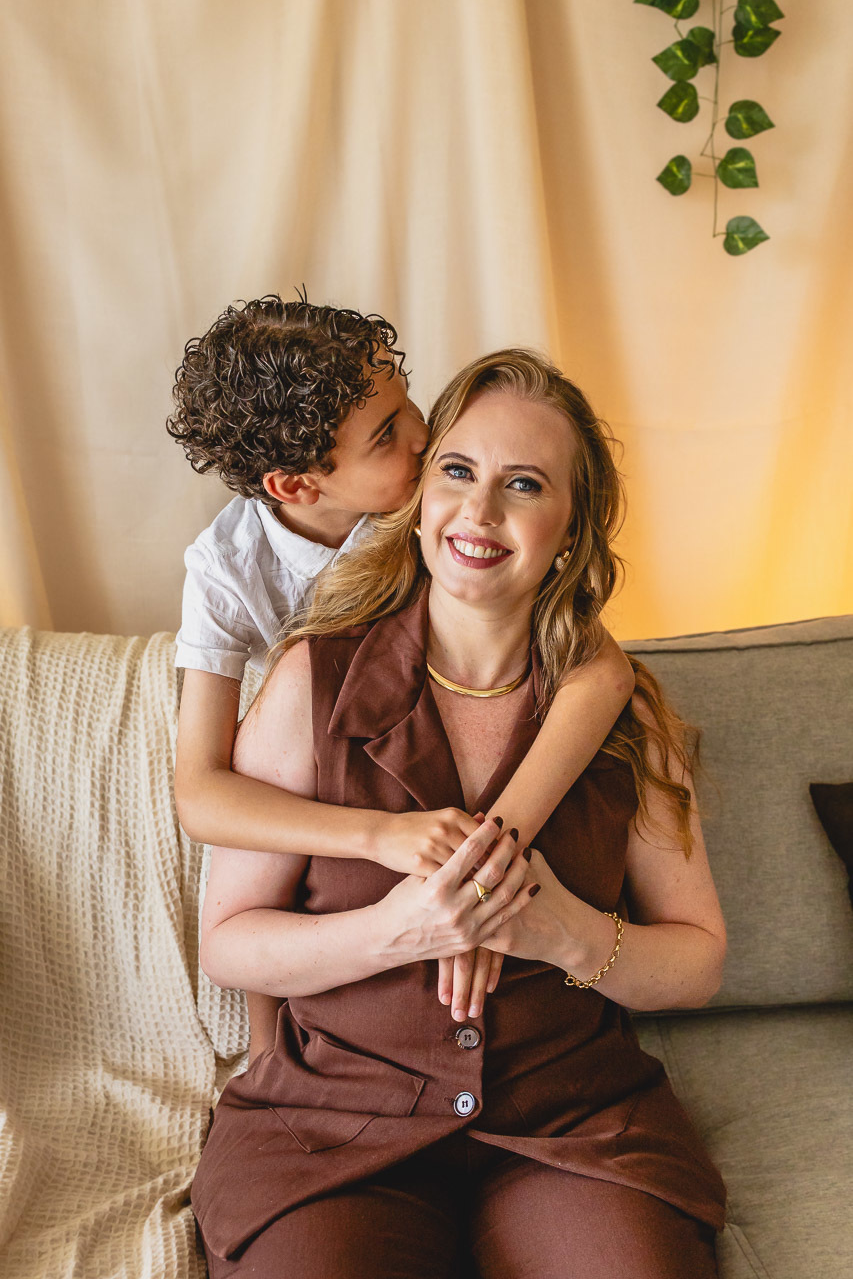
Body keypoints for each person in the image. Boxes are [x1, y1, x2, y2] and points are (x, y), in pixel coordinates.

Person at [191, 348, 728, 1277]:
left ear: (570, 525)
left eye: (523, 485)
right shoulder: (310, 682)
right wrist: (395, 931)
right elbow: (228, 942)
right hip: (333, 1132)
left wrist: (567, 936)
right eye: (456, 471)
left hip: (573, 1129)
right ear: (419, 495)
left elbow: (697, 960)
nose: (479, 513)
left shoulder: (622, 711)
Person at [168, 297, 636, 1047]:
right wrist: (377, 837)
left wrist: (490, 861)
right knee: (259, 826)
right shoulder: (226, 570)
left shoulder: (435, 507)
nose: (423, 435)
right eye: (387, 434)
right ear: (296, 486)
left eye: (406, 399)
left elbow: (605, 673)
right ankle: (265, 1049)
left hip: (426, 748)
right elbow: (203, 794)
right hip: (317, 774)